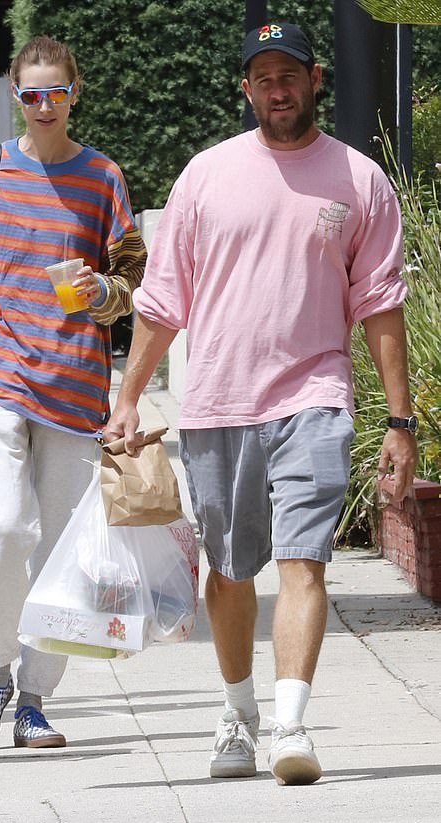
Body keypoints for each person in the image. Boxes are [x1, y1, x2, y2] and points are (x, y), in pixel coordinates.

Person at [104, 22, 418, 786]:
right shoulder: (205, 176)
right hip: (218, 403)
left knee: (305, 560)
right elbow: (162, 298)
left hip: (315, 395)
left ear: (315, 79)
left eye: (289, 75)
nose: (277, 89)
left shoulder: (358, 179)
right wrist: (128, 394)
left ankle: (290, 721)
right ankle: (238, 710)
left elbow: (381, 304)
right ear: (247, 90)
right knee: (231, 569)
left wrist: (403, 421)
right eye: (262, 78)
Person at [0, 35, 146, 748]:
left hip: (76, 381)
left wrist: (103, 290)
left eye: (57, 93)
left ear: (74, 93)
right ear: (15, 94)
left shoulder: (104, 177)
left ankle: (35, 698)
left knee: (60, 550)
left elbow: (136, 281)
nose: (45, 105)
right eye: (32, 93)